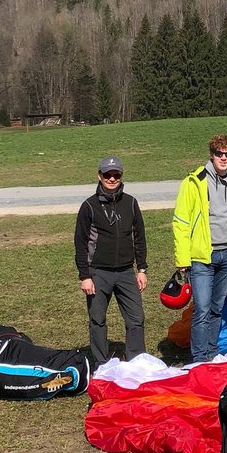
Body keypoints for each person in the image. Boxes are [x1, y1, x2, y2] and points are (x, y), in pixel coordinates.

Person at [173, 134, 227, 363]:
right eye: (219, 154)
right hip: (202, 256)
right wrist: (183, 259)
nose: (223, 158)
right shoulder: (194, 182)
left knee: (217, 308)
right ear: (212, 155)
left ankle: (211, 352)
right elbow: (181, 221)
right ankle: (199, 359)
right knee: (202, 310)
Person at [75, 156, 148, 364]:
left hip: (126, 271)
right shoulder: (89, 206)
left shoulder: (131, 203)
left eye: (116, 175)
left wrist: (141, 269)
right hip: (98, 272)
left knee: (136, 318)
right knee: (97, 320)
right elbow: (80, 243)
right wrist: (85, 275)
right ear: (99, 176)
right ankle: (101, 363)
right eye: (108, 174)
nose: (112, 179)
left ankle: (136, 361)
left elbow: (139, 237)